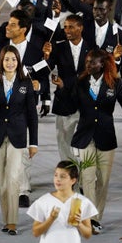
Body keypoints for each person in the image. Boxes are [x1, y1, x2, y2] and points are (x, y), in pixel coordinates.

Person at [53, 49, 122, 233]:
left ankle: (96, 217)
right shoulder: (80, 82)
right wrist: (62, 88)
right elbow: (70, 106)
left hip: (106, 138)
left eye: (92, 62)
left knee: (103, 180)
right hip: (85, 138)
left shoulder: (114, 83)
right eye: (87, 62)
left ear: (102, 64)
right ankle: (90, 219)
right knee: (87, 177)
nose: (88, 65)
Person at [0, 45, 39, 235]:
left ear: (18, 61)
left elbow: (31, 114)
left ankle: (12, 223)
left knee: (13, 180)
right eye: (6, 59)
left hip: (17, 138)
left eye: (13, 59)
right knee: (2, 183)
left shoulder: (25, 82)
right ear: (0, 62)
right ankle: (6, 220)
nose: (10, 63)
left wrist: (33, 142)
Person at [42, 14, 90, 161]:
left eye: (71, 27)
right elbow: (45, 70)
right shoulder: (58, 47)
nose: (67, 30)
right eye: (65, 27)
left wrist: (65, 83)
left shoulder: (91, 47)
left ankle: (86, 177)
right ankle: (69, 175)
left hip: (86, 102)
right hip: (64, 101)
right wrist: (46, 56)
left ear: (80, 28)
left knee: (88, 143)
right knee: (63, 142)